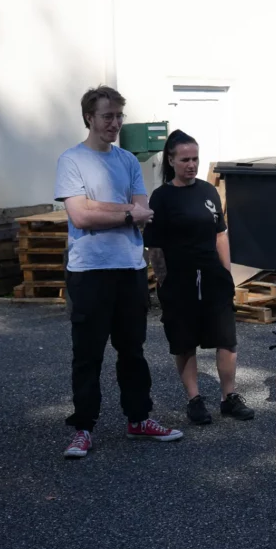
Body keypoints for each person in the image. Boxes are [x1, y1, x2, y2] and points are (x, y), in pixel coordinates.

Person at [55, 85, 184, 459]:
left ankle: (139, 419)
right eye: (107, 116)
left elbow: (144, 211)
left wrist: (104, 210)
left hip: (129, 268)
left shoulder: (127, 160)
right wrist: (124, 212)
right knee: (88, 353)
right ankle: (83, 428)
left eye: (118, 116)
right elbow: (80, 215)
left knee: (132, 350)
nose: (114, 123)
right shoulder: (72, 160)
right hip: (90, 271)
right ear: (89, 118)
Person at [143, 130, 254, 425]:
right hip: (179, 279)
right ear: (171, 160)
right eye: (185, 159)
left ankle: (228, 397)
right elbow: (154, 245)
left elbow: (220, 235)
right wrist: (162, 281)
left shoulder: (207, 192)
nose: (191, 164)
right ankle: (194, 399)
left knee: (226, 339)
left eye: (195, 159)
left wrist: (226, 273)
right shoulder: (162, 197)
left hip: (213, 276)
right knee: (184, 341)